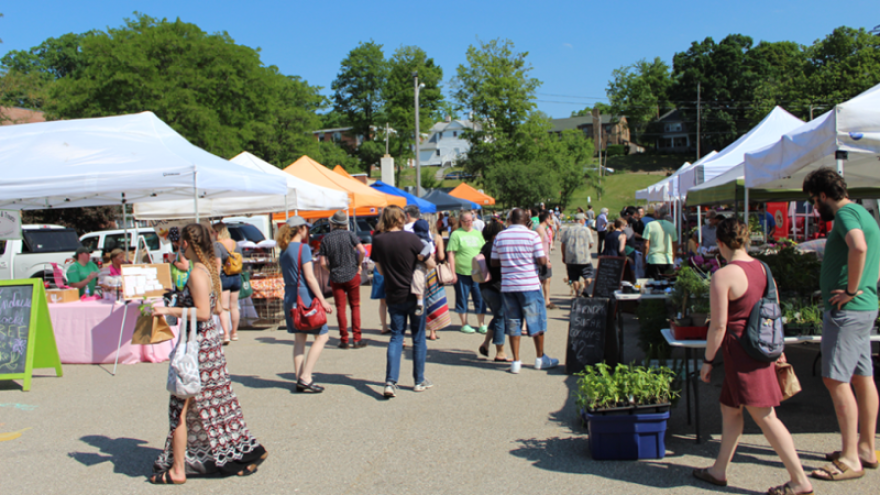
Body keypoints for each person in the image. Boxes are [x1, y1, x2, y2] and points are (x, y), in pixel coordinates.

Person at [694, 218, 812, 495]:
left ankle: (800, 481)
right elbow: (774, 311)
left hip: (741, 352)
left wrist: (707, 361)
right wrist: (778, 350)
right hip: (760, 347)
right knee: (730, 409)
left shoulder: (723, 275)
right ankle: (719, 470)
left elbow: (719, 325)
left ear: (720, 243)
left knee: (766, 416)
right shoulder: (763, 268)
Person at [150, 223, 267, 484]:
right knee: (215, 405)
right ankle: (239, 454)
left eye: (181, 244)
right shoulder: (207, 269)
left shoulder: (196, 273)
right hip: (208, 347)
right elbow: (214, 310)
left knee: (180, 408)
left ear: (186, 244)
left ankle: (178, 470)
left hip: (196, 348)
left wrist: (168, 310)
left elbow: (203, 312)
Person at [803, 168, 879, 481]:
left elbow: (859, 247)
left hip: (847, 311)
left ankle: (850, 458)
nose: (814, 207)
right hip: (864, 308)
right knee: (862, 377)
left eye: (813, 200)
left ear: (823, 195)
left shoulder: (846, 214)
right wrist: (864, 286)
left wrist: (850, 290)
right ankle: (865, 448)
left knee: (835, 379)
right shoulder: (863, 213)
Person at [371, 205, 433, 397]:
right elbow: (431, 264)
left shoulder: (378, 240)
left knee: (396, 336)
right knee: (418, 337)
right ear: (400, 219)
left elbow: (380, 271)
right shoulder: (411, 238)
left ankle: (390, 382)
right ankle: (419, 380)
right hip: (415, 294)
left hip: (393, 293)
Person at [491, 208, 558, 374]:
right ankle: (540, 358)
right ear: (526, 220)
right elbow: (541, 260)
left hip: (508, 285)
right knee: (536, 321)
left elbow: (494, 262)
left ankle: (516, 361)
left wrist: (509, 260)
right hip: (529, 284)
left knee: (513, 322)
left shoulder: (500, 236)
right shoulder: (532, 235)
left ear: (510, 219)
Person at [277, 216, 334, 393]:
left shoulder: (284, 249)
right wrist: (322, 299)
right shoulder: (303, 248)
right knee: (322, 336)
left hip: (290, 295)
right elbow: (310, 277)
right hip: (304, 295)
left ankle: (299, 378)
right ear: (300, 229)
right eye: (306, 228)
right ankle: (306, 376)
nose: (307, 231)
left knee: (299, 339)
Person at [319, 210, 367, 350]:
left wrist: (330, 270)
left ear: (333, 223)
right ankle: (357, 339)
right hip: (352, 273)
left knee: (340, 308)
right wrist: (358, 264)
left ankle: (344, 339)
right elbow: (362, 250)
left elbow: (322, 263)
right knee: (355, 306)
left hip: (336, 276)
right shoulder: (350, 235)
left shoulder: (326, 239)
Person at [447, 210, 488, 334]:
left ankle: (481, 324)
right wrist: (453, 272)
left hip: (478, 272)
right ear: (461, 221)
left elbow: (484, 251)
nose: (469, 223)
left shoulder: (478, 234)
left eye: (470, 221)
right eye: (466, 221)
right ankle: (464, 323)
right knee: (462, 297)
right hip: (461, 272)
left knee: (479, 298)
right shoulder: (456, 234)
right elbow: (451, 253)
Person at [477, 219, 512, 362]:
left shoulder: (485, 247)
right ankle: (500, 352)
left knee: (497, 316)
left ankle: (486, 344)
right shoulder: (494, 248)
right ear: (495, 235)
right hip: (495, 287)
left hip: (485, 287)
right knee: (500, 318)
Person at [213, 223, 242, 344]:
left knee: (224, 307)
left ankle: (225, 334)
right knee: (234, 306)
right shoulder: (235, 243)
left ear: (217, 232)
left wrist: (215, 278)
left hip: (224, 276)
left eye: (213, 232)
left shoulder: (217, 245)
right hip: (236, 276)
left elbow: (218, 263)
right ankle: (234, 333)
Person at [424, 218, 451, 340]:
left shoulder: (416, 236)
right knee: (434, 300)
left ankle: (422, 327)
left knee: (421, 300)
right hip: (433, 271)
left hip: (420, 271)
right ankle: (433, 332)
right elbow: (441, 256)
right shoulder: (437, 237)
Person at [559, 213, 594, 297]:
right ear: (581, 220)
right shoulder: (586, 230)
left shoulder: (567, 230)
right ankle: (584, 287)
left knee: (574, 277)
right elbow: (591, 243)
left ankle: (577, 293)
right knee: (588, 275)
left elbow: (563, 244)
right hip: (584, 258)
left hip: (570, 258)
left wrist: (564, 255)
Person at [643, 207, 679, 279]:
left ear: (657, 214)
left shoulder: (650, 225)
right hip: (668, 259)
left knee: (653, 283)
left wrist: (644, 260)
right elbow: (674, 246)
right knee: (668, 283)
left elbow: (646, 245)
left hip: (653, 259)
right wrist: (672, 259)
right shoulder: (671, 226)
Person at [371, 215, 390, 334]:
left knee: (382, 302)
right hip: (390, 268)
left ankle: (384, 326)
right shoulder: (390, 235)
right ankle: (395, 326)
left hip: (378, 268)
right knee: (393, 301)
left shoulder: (376, 236)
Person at [536, 211, 557, 310]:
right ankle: (544, 301)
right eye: (550, 218)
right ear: (546, 219)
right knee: (544, 279)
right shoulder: (540, 230)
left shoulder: (544, 229)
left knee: (547, 279)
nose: (551, 220)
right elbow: (538, 246)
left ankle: (546, 300)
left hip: (545, 257)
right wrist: (545, 260)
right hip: (543, 259)